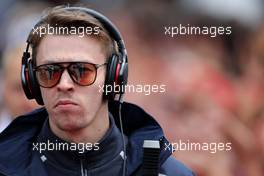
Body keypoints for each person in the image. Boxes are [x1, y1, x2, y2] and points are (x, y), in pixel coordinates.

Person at [0, 6, 194, 176]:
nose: (64, 84)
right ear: (32, 81)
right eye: (49, 72)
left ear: (114, 77)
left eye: (82, 70)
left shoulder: (168, 172)